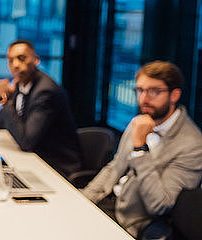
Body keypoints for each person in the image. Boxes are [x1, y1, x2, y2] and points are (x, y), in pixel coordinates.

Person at [83, 61, 202, 239]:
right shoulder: (141, 121)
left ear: (174, 95)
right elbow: (115, 166)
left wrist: (140, 149)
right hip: (105, 202)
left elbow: (160, 204)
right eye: (140, 90)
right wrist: (84, 198)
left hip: (131, 222)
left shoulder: (192, 145)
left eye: (154, 91)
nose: (144, 98)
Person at [0, 39, 81, 177]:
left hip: (57, 168)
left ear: (36, 60)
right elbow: (4, 119)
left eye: (21, 58)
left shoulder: (45, 92)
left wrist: (6, 102)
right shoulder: (22, 84)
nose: (15, 65)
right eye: (10, 60)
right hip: (35, 160)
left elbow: (26, 141)